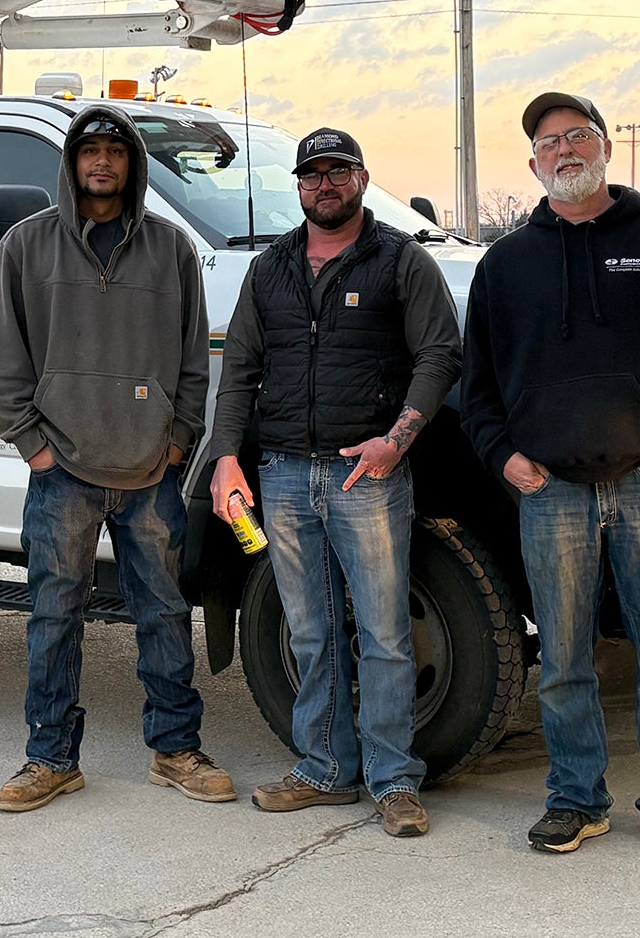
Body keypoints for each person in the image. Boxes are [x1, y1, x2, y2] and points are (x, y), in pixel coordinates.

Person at [461, 92, 640, 856]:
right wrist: (505, 457)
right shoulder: (505, 265)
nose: (565, 150)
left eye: (578, 135)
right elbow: (477, 383)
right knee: (563, 658)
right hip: (550, 493)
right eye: (549, 142)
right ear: (533, 164)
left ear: (606, 146)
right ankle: (576, 797)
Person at [208, 127, 462, 837]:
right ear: (298, 186)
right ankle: (323, 768)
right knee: (310, 632)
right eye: (312, 174)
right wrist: (227, 457)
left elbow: (440, 354)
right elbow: (240, 369)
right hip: (284, 473)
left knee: (384, 634)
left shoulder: (402, 260)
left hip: (366, 477)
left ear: (362, 179)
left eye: (339, 171)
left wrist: (395, 440)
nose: (325, 184)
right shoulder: (271, 268)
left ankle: (393, 780)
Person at [0, 106, 234, 812]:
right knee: (54, 618)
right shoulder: (26, 245)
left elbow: (192, 358)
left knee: (163, 613)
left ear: (133, 164)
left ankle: (175, 749)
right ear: (72, 162)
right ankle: (50, 758)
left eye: (116, 152)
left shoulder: (171, 248)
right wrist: (34, 447)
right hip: (61, 470)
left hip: (150, 470)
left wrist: (179, 439)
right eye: (90, 150)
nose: (103, 162)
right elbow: (6, 356)